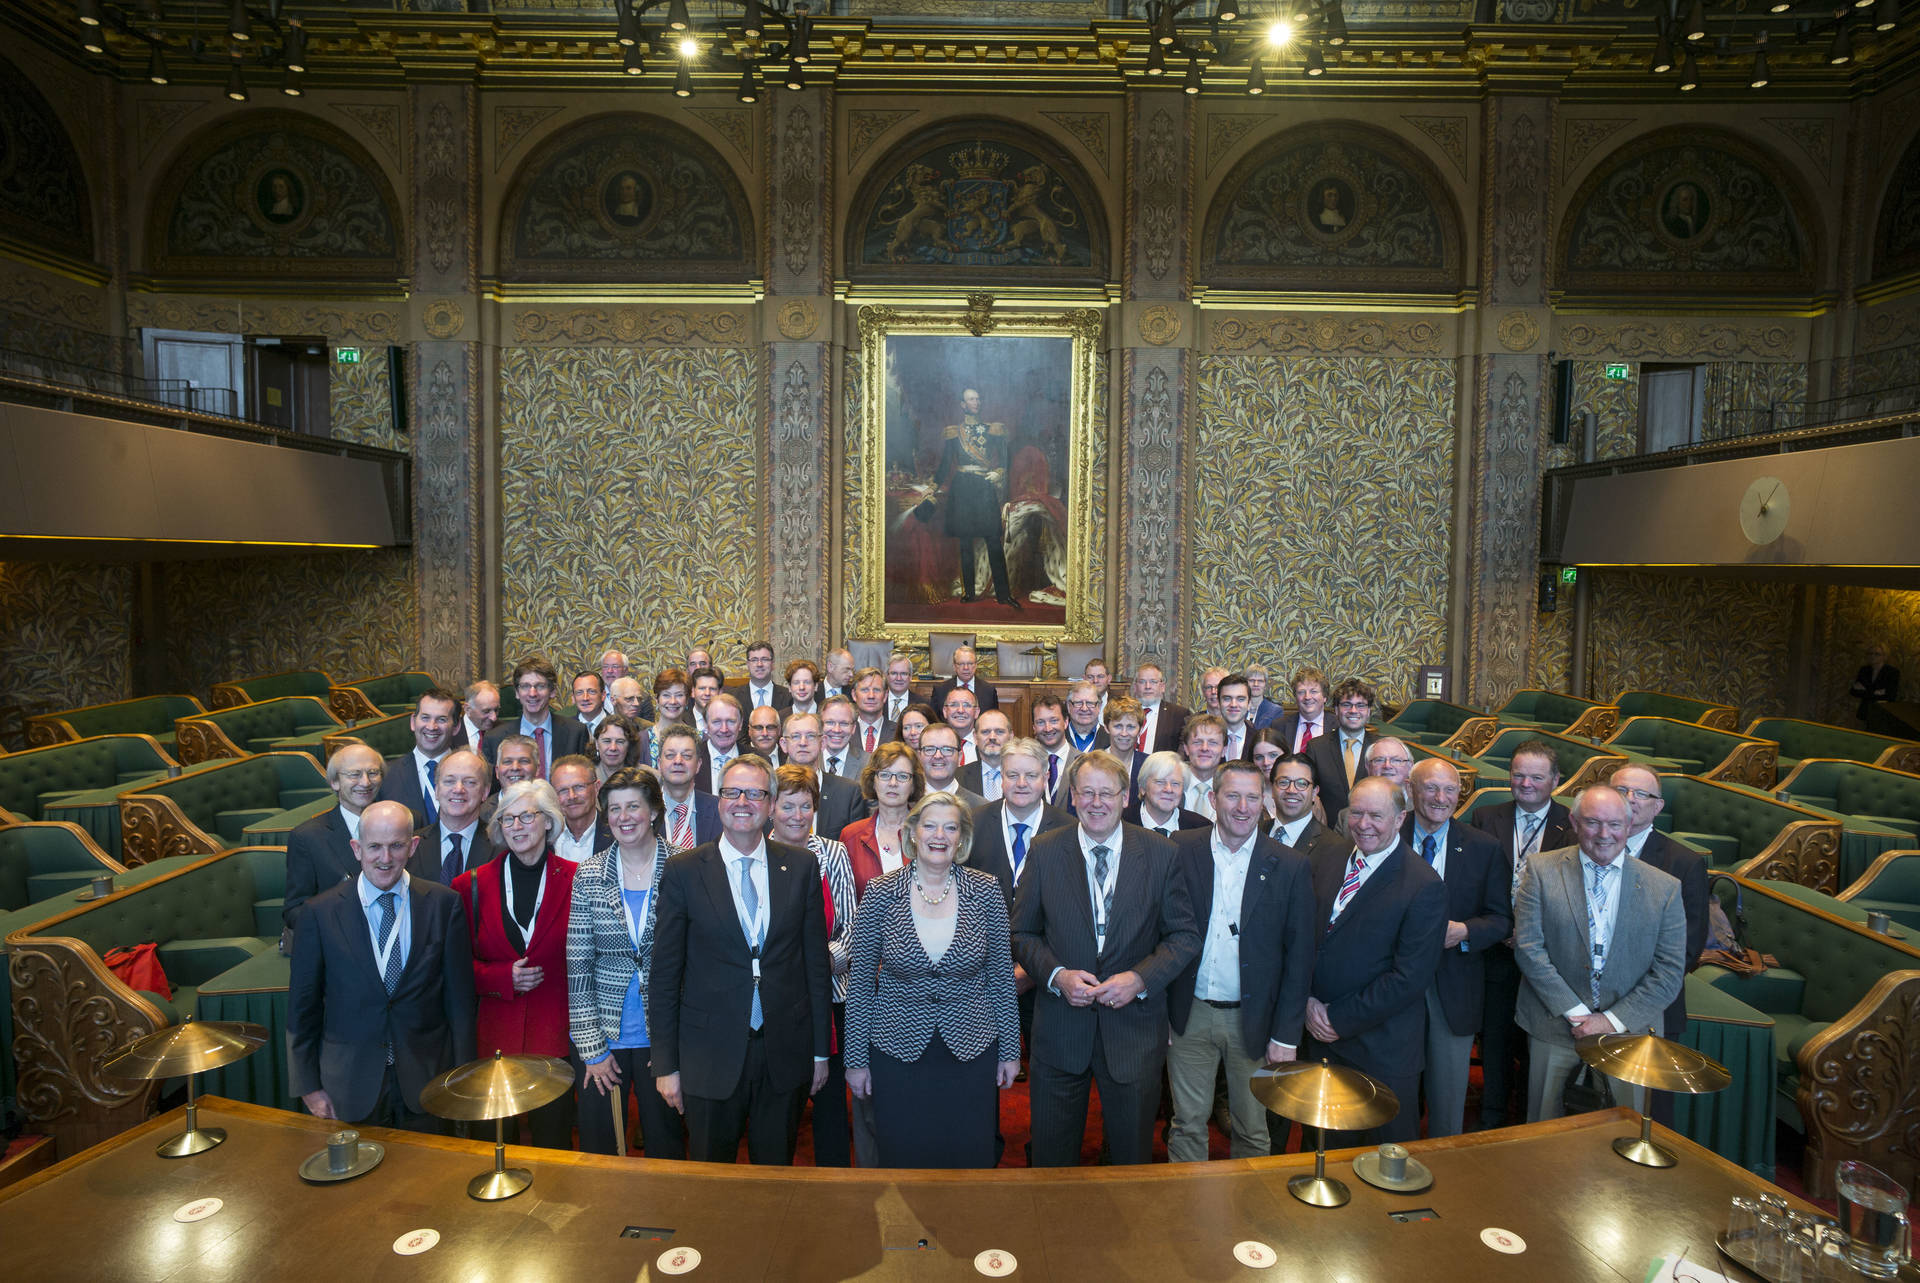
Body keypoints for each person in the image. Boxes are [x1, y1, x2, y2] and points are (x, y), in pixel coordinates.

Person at [1011, 750, 1199, 1166]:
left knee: (1130, 1162)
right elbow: (1022, 933)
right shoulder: (1045, 850)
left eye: (1107, 793)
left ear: (1126, 796)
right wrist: (1056, 976)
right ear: (1073, 797)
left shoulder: (1161, 853)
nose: (1096, 803)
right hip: (1061, 1032)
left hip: (1133, 1032)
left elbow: (1184, 936)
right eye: (1087, 793)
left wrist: (1140, 979)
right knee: (1051, 1161)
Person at [649, 756, 832, 1165]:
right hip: (707, 1057)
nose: (742, 802)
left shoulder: (801, 866)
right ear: (719, 801)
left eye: (754, 793)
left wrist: (820, 1052)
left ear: (771, 804)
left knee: (776, 1180)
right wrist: (666, 1065)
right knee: (711, 1184)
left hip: (783, 1053)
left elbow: (816, 968)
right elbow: (664, 976)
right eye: (732, 792)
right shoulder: (684, 871)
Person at [845, 792, 1021, 1167]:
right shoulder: (880, 892)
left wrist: (1010, 1051)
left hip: (971, 1051)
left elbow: (1001, 980)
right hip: (896, 1052)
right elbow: (860, 984)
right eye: (930, 825)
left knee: (968, 1158)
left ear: (962, 838)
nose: (939, 835)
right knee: (904, 1158)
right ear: (913, 832)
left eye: (950, 827)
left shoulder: (986, 891)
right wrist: (856, 1059)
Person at [288, 801, 476, 1131]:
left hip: (428, 1082)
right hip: (348, 1085)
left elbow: (460, 1003)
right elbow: (302, 1008)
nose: (385, 858)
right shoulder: (319, 913)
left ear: (413, 846)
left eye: (396, 846)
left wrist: (463, 1077)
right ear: (356, 848)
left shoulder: (444, 905)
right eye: (374, 846)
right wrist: (308, 1086)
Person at [1166, 759, 1317, 1161]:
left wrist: (1286, 1035)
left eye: (1252, 797)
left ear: (1264, 802)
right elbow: (1160, 932)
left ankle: (1249, 1203)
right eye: (1232, 796)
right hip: (1189, 1013)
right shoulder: (1180, 849)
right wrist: (1161, 1012)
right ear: (1213, 799)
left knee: (1252, 1130)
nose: (1243, 807)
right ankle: (1187, 1199)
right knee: (1186, 1124)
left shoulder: (1290, 865)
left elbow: (1300, 958)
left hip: (1254, 1021)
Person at [1513, 786, 1687, 1122]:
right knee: (1546, 1134)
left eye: (1614, 824)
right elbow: (1529, 948)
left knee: (1620, 1133)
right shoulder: (1541, 870)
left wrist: (1610, 1021)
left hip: (1629, 1033)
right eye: (1592, 823)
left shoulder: (1665, 887)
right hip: (1555, 1027)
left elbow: (1668, 973)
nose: (1604, 834)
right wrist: (1578, 1015)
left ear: (1629, 825)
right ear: (1574, 822)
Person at [1305, 776, 1445, 1144]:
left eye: (1376, 816)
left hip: (1380, 1052)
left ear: (1400, 819)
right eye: (1356, 813)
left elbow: (1409, 978)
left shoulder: (1423, 884)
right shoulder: (1329, 857)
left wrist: (1337, 1018)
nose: (1363, 824)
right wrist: (1307, 1001)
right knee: (1321, 1152)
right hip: (1318, 1039)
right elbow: (1304, 938)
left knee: (1377, 1163)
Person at [568, 766, 686, 1160]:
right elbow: (578, 967)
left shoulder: (685, 867)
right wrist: (591, 1050)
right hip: (605, 1038)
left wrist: (678, 1047)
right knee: (602, 1152)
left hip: (665, 1037)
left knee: (666, 1147)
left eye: (633, 806)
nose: (623, 817)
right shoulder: (588, 875)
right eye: (615, 809)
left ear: (653, 811)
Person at [453, 779, 578, 1148]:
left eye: (527, 816)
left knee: (553, 1147)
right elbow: (454, 968)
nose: (516, 826)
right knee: (494, 1146)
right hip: (493, 1038)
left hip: (554, 1035)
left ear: (549, 821)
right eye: (508, 819)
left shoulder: (578, 878)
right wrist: (499, 977)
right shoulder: (470, 886)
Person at [1402, 758, 1510, 1139]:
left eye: (1450, 790)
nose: (1440, 798)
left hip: (1454, 988)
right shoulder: (1386, 833)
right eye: (1431, 787)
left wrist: (1465, 931)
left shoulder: (1484, 847)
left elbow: (1501, 919)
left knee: (1447, 1109)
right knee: (1393, 1098)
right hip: (1392, 985)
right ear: (1411, 790)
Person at [1475, 739, 1573, 1129]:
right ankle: (1493, 1121)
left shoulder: (1574, 824)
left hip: (1549, 957)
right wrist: (1499, 927)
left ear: (1556, 780)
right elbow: (1473, 882)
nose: (1526, 784)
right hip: (1496, 951)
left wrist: (1531, 934)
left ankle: (1532, 1123)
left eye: (1536, 777)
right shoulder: (1486, 817)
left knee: (1539, 1045)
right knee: (1495, 1041)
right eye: (1518, 775)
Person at [768, 765, 859, 1167]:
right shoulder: (757, 853)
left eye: (806, 806)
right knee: (780, 1099)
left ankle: (834, 1180)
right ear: (771, 807)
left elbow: (852, 926)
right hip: (779, 998)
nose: (797, 816)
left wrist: (820, 964)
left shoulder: (833, 853)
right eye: (788, 806)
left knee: (830, 1101)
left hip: (831, 994)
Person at [1611, 764, 1709, 1124]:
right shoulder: (1582, 847)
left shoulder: (1683, 863)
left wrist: (1624, 1001)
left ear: (1658, 806)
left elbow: (1687, 951)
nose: (1630, 800)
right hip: (1583, 1008)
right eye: (1621, 790)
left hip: (1650, 1008)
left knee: (1641, 1118)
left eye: (1641, 794)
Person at [284, 743, 385, 931]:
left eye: (373, 773)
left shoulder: (405, 822)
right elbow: (294, 911)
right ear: (334, 782)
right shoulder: (308, 837)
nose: (365, 782)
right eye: (354, 774)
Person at [935, 390, 1018, 607]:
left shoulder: (993, 430)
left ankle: (1004, 594)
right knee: (965, 542)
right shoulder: (954, 433)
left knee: (993, 540)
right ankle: (969, 593)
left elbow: (1005, 458)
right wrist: (933, 486)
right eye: (972, 399)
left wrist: (999, 472)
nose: (977, 402)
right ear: (963, 404)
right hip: (962, 488)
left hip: (984, 486)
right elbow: (945, 464)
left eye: (978, 398)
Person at [843, 741, 924, 897]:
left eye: (902, 776)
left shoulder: (928, 834)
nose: (893, 783)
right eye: (885, 775)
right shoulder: (851, 836)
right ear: (873, 781)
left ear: (913, 785)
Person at [485, 658, 586, 777]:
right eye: (525, 686)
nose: (532, 693)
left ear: (552, 691)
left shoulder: (576, 732)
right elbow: (491, 786)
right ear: (517, 692)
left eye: (540, 686)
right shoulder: (495, 738)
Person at [411, 748, 496, 886]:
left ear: (485, 792)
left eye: (470, 782)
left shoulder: (500, 845)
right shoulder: (411, 846)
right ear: (436, 790)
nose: (458, 789)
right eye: (449, 781)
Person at [779, 709, 867, 841]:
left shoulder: (849, 792)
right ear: (783, 744)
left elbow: (855, 845)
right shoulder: (770, 788)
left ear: (823, 743)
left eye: (811, 736)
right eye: (795, 736)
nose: (803, 742)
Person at [377, 686, 459, 827]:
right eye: (425, 718)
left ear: (456, 727)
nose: (431, 727)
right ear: (413, 722)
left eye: (441, 719)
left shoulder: (474, 772)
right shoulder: (387, 775)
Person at [1306, 677, 1378, 823]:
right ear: (1336, 710)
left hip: (1370, 828)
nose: (1353, 711)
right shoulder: (1316, 747)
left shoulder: (1379, 747)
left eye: (1360, 705)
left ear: (1369, 711)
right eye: (1346, 705)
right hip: (1328, 829)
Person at [657, 723, 721, 849]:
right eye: (670, 755)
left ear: (698, 764)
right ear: (659, 764)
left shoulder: (718, 808)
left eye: (686, 756)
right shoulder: (645, 809)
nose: (678, 761)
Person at [1125, 750, 1209, 837]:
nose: (1169, 789)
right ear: (1143, 788)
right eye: (1160, 782)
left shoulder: (1201, 829)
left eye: (1175, 783)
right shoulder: (1121, 822)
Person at [550, 754, 612, 863]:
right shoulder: (546, 837)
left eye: (579, 787)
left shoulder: (615, 834)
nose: (572, 796)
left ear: (596, 788)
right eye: (563, 790)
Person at [918, 722, 984, 807]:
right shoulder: (905, 804)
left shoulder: (980, 806)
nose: (938, 756)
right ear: (919, 756)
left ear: (959, 757)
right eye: (930, 749)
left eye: (947, 749)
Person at [1133, 661, 1190, 755]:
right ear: (1135, 687)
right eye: (1142, 682)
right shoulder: (1126, 712)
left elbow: (1184, 752)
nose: (1148, 686)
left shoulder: (1179, 715)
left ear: (1162, 687)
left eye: (1153, 682)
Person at [1179, 713, 1228, 819]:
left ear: (1224, 750)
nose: (1204, 748)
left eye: (1213, 743)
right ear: (1186, 749)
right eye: (1197, 742)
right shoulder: (1171, 784)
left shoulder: (1231, 788)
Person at [696, 693, 746, 793]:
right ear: (705, 724)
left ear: (740, 724)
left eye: (731, 721)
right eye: (717, 722)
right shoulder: (691, 760)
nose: (724, 729)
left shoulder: (759, 761)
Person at [931, 645, 999, 717]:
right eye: (961, 664)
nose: (966, 668)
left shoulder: (989, 690)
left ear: (976, 665)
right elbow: (934, 720)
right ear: (954, 666)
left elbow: (994, 718)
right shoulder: (940, 690)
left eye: (970, 663)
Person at [960, 707, 1012, 799]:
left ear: (1011, 737)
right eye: (985, 732)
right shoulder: (958, 777)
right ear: (975, 737)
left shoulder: (1024, 775)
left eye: (999, 732)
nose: (992, 737)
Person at [1031, 695, 1073, 804]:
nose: (1048, 728)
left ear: (1066, 722)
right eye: (1040, 722)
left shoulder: (1083, 762)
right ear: (1034, 727)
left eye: (1054, 721)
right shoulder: (1026, 762)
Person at [1276, 667, 1329, 754]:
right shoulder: (1279, 726)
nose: (1307, 697)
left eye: (1313, 691)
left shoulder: (1338, 726)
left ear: (1324, 697)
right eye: (1301, 692)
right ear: (1295, 697)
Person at [728, 640, 791, 712]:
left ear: (772, 663)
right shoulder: (733, 697)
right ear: (748, 664)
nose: (759, 664)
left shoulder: (788, 696)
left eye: (764, 659)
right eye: (754, 660)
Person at [851, 667, 895, 755]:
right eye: (865, 690)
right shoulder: (844, 731)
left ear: (885, 696)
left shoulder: (898, 732)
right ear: (854, 695)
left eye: (876, 690)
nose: (871, 696)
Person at [1853, 641, 1901, 723]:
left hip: (1882, 712)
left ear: (1884, 656)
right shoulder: (1864, 670)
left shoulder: (1892, 672)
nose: (1872, 656)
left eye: (1877, 654)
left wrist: (1865, 691)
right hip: (1865, 711)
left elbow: (1890, 695)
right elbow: (1854, 691)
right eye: (1870, 654)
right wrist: (1876, 692)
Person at [1215, 672, 1256, 763]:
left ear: (1249, 704)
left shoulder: (1258, 740)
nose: (1233, 705)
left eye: (1240, 699)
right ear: (1218, 703)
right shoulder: (1206, 740)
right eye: (1227, 698)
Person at [821, 697, 863, 780]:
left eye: (844, 723)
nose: (837, 730)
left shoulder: (868, 763)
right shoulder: (805, 759)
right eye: (830, 722)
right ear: (820, 726)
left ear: (853, 728)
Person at [593, 713, 642, 784]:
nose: (613, 748)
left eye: (620, 741)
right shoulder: (584, 775)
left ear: (629, 744)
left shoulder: (648, 776)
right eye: (607, 741)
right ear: (597, 744)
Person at [1063, 681, 1107, 754]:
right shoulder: (1057, 737)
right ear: (1068, 706)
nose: (1084, 708)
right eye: (1078, 703)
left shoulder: (1110, 739)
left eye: (1090, 703)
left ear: (1099, 706)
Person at [942, 686, 981, 765]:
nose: (960, 710)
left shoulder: (985, 743)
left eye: (966, 705)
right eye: (954, 705)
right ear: (945, 711)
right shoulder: (934, 743)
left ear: (976, 712)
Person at [462, 679, 501, 751]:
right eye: (486, 711)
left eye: (496, 710)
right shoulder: (451, 732)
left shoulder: (503, 730)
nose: (494, 718)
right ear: (468, 709)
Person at [745, 704, 785, 768]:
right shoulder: (738, 757)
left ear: (779, 730)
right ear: (749, 730)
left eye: (770, 727)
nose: (765, 733)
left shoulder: (790, 756)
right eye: (759, 727)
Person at [572, 670, 610, 737]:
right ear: (573, 698)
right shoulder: (565, 728)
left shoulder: (619, 726)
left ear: (603, 695)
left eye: (591, 691)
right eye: (579, 692)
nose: (585, 698)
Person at [883, 654, 916, 723]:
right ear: (886, 676)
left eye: (903, 673)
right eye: (894, 673)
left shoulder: (924, 703)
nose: (898, 678)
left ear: (910, 677)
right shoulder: (877, 702)